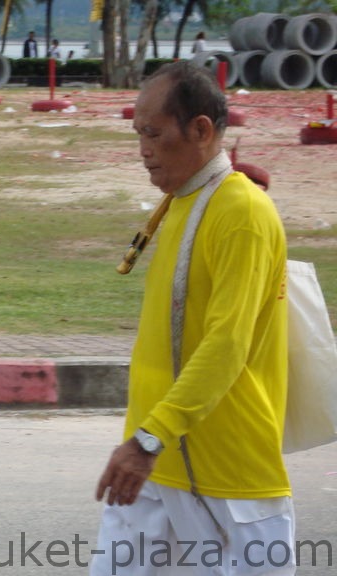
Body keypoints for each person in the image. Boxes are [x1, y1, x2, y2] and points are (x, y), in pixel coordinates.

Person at [92, 60, 293, 575]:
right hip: (153, 462)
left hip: (225, 472)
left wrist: (149, 438)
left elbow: (226, 346)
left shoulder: (242, 213)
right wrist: (146, 440)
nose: (143, 150)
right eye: (138, 134)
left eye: (154, 134)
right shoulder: (182, 201)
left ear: (200, 130)